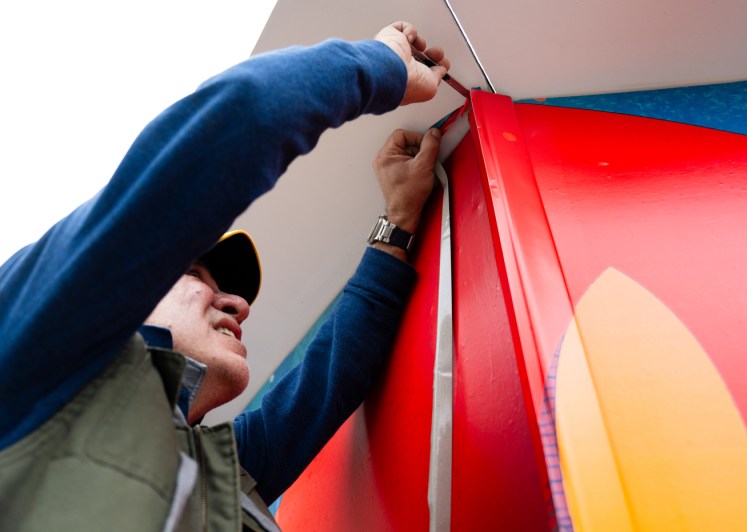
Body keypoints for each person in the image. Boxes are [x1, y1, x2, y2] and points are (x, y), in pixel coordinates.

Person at [0, 21, 448, 531]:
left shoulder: (222, 475)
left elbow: (333, 373)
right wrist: (385, 63)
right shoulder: (25, 358)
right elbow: (242, 115)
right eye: (195, 272)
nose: (237, 303)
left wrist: (400, 216)